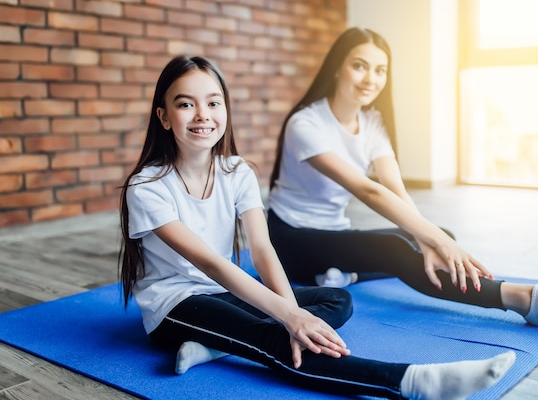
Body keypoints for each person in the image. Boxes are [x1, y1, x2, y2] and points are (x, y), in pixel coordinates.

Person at [118, 55, 516, 400]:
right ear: (164, 117)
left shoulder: (238, 172)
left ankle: (214, 346)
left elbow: (262, 250)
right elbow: (213, 264)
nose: (203, 115)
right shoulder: (147, 187)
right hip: (177, 305)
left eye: (213, 102)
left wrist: (291, 309)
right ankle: (411, 381)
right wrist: (290, 318)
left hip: (224, 292)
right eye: (186, 104)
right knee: (280, 338)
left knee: (336, 301)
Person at [266, 27, 538, 327]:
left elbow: (393, 186)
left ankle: (344, 272)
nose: (371, 78)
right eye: (360, 66)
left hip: (333, 234)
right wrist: (434, 241)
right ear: (338, 68)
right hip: (290, 241)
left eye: (381, 70)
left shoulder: (373, 123)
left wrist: (432, 237)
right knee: (398, 247)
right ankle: (522, 298)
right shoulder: (305, 124)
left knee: (438, 233)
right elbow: (368, 191)